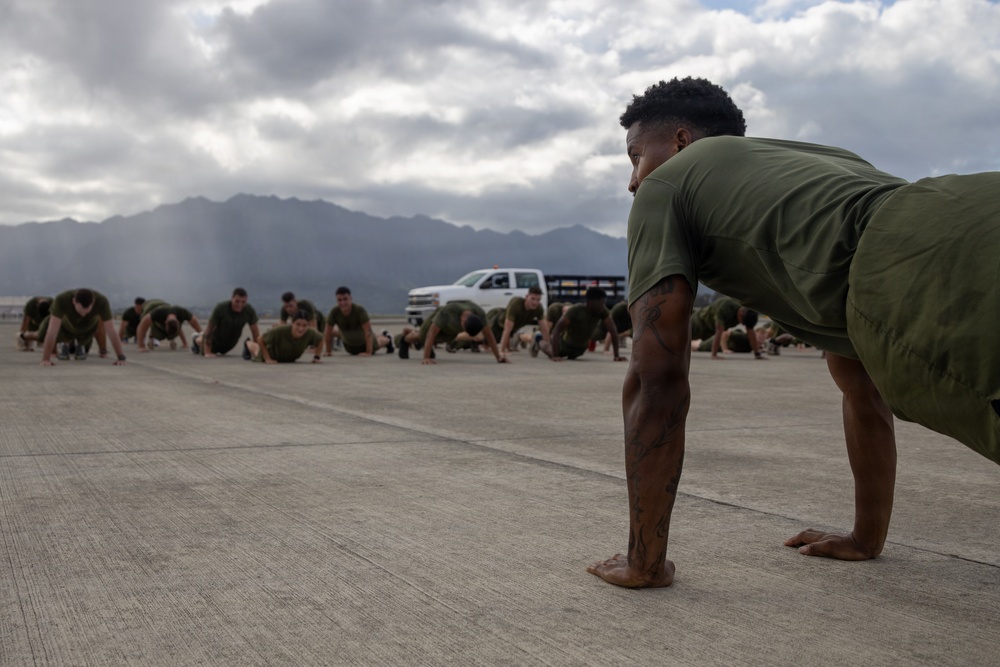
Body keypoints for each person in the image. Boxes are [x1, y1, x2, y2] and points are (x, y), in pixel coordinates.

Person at [587, 76, 1000, 589]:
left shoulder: (665, 186)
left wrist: (644, 563)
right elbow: (861, 385)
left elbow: (657, 378)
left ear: (679, 141)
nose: (632, 182)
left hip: (923, 263)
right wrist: (864, 537)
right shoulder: (823, 166)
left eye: (634, 157)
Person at [27, 288, 127, 365]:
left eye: (86, 312)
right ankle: (23, 336)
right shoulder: (61, 300)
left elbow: (111, 331)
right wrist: (45, 359)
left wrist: (120, 357)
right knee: (40, 335)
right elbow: (52, 331)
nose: (83, 314)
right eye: (80, 311)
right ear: (74, 301)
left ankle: (75, 345)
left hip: (86, 330)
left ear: (93, 303)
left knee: (82, 351)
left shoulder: (102, 301)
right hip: (64, 328)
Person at [397, 300, 508, 365]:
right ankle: (405, 339)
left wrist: (498, 357)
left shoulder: (479, 314)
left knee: (436, 341)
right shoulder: (448, 312)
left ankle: (426, 345)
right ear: (463, 322)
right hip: (434, 323)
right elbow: (431, 333)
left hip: (450, 331)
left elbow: (490, 336)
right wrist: (426, 357)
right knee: (421, 336)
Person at [536, 288, 625, 362]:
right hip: (563, 346)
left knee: (572, 356)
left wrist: (616, 355)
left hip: (580, 349)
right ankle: (538, 341)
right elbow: (557, 330)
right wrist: (554, 355)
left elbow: (613, 330)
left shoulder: (602, 311)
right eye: (601, 303)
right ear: (590, 302)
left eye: (603, 303)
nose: (603, 306)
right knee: (548, 348)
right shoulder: (575, 310)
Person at [323, 286, 393, 356]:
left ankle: (388, 338)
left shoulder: (359, 310)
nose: (343, 303)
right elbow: (327, 332)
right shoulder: (334, 312)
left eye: (345, 299)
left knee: (379, 341)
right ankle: (380, 334)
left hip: (364, 344)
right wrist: (328, 351)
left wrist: (368, 352)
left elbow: (368, 331)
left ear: (350, 298)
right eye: (339, 300)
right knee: (332, 331)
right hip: (349, 346)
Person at [691, 297, 762, 360]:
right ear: (740, 314)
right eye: (743, 323)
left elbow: (751, 332)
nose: (742, 324)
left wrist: (757, 354)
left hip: (709, 330)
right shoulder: (725, 307)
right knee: (683, 336)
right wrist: (714, 355)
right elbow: (719, 332)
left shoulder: (746, 314)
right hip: (699, 322)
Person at [484, 286, 551, 353]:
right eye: (532, 299)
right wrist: (502, 351)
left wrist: (549, 350)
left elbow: (544, 329)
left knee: (497, 342)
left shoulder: (539, 308)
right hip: (497, 324)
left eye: (538, 300)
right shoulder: (516, 304)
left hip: (513, 329)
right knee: (482, 341)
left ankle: (517, 337)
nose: (535, 303)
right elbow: (507, 329)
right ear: (526, 297)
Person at [245, 310, 324, 364]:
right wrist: (267, 359)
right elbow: (260, 339)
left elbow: (320, 339)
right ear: (292, 323)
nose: (301, 329)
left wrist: (316, 357)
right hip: (272, 354)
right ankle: (247, 342)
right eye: (298, 324)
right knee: (256, 350)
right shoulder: (280, 330)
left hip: (288, 358)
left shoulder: (310, 332)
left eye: (304, 325)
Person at [135, 300, 202, 352]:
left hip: (167, 309)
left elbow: (195, 323)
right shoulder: (157, 313)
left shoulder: (182, 312)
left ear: (178, 322)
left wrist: (202, 336)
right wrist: (141, 346)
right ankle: (152, 338)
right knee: (154, 328)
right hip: (151, 308)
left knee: (174, 329)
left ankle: (173, 338)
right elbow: (141, 326)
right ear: (165, 323)